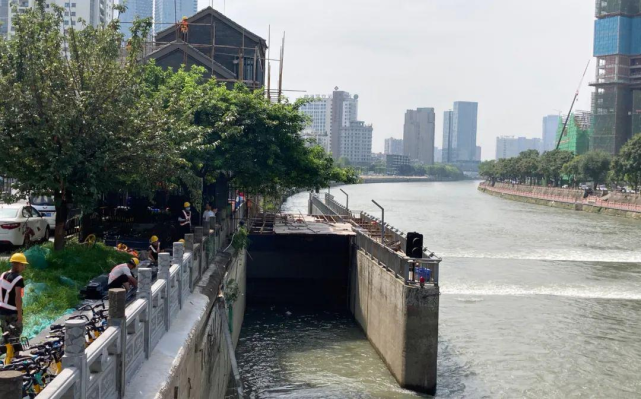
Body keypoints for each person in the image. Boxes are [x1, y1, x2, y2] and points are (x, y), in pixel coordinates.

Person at [0, 253, 28, 341]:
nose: (24, 267)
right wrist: (20, 316)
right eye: (23, 265)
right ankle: (14, 354)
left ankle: (7, 352)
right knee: (15, 335)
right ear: (17, 264)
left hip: (2, 311)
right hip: (12, 312)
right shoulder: (18, 278)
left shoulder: (3, 275)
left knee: (6, 335)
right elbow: (18, 298)